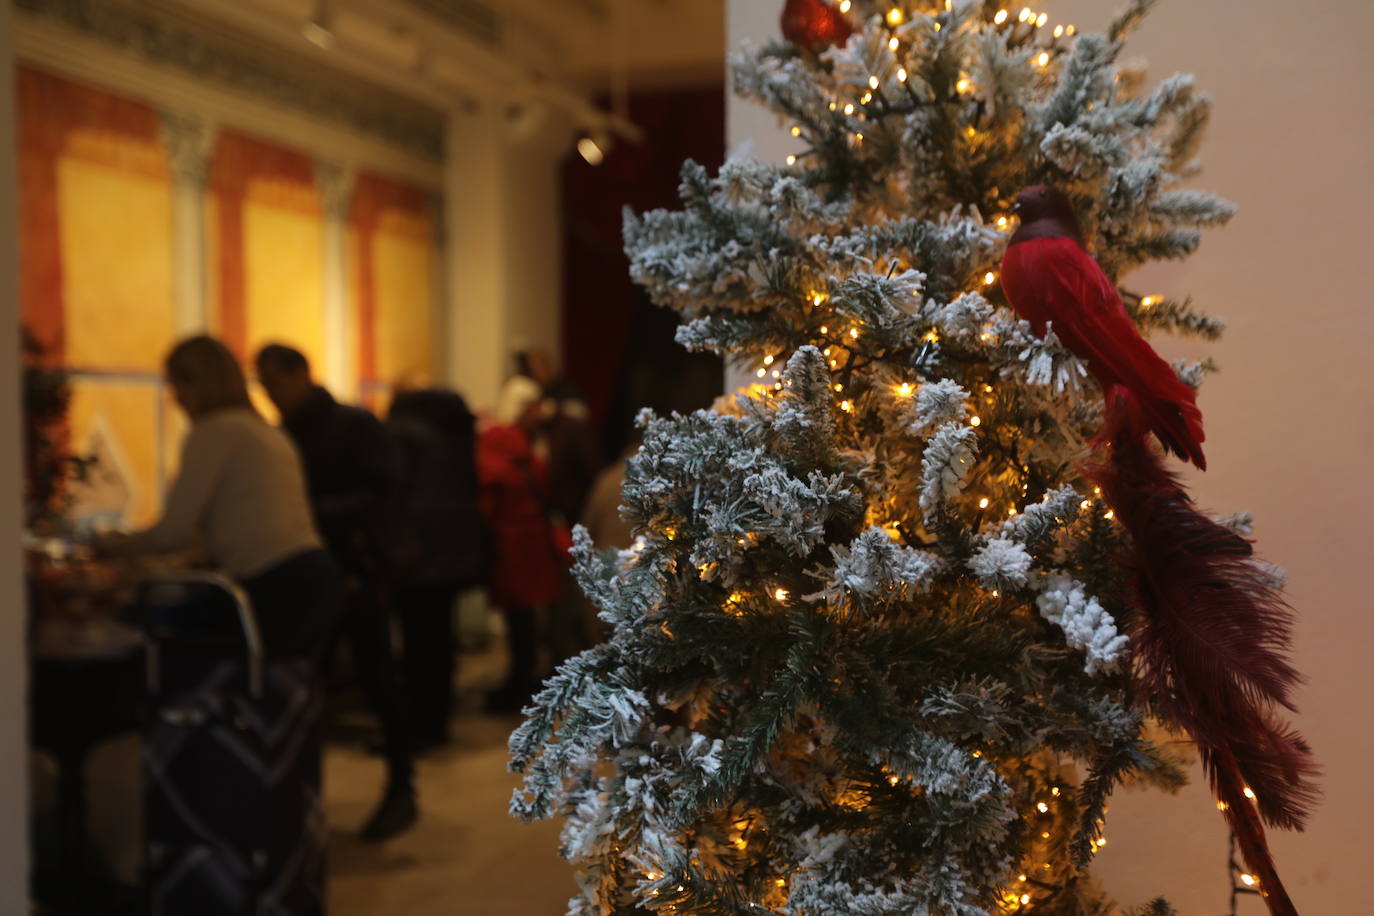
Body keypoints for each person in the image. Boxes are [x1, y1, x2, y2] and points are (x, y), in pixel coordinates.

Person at [253, 343, 416, 842]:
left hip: (357, 571)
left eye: (274, 382)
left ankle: (402, 789)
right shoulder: (284, 434)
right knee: (307, 690)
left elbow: (386, 493)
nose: (270, 393)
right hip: (312, 575)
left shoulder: (353, 425)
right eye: (263, 384)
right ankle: (300, 797)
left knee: (379, 681)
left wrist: (313, 515)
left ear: (301, 374)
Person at [103, 335, 340, 658]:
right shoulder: (263, 429)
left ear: (199, 383)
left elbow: (174, 531)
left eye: (178, 385)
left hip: (273, 584)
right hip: (311, 576)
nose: (175, 398)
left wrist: (112, 546)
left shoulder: (213, 431)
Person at [385, 386, 489, 750]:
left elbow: (393, 492)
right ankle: (436, 721)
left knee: (418, 645)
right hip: (451, 552)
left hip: (416, 553)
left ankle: (418, 728)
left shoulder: (404, 435)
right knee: (439, 642)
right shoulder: (453, 436)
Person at [479, 374, 567, 713]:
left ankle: (519, 682)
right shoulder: (514, 446)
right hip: (518, 545)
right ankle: (521, 682)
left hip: (518, 544)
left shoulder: (508, 444)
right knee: (522, 619)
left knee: (522, 619)